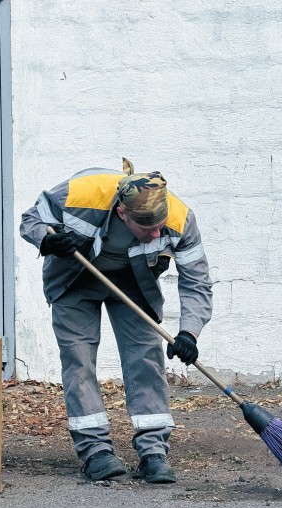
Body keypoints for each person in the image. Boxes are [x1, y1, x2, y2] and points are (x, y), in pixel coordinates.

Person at [20, 158, 212, 484]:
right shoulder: (80, 195)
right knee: (78, 359)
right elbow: (30, 220)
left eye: (159, 225)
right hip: (75, 277)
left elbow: (197, 282)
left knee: (146, 357)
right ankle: (95, 451)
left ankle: (153, 451)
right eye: (146, 227)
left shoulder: (179, 218)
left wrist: (189, 333)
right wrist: (49, 240)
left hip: (135, 282)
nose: (155, 233)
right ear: (123, 213)